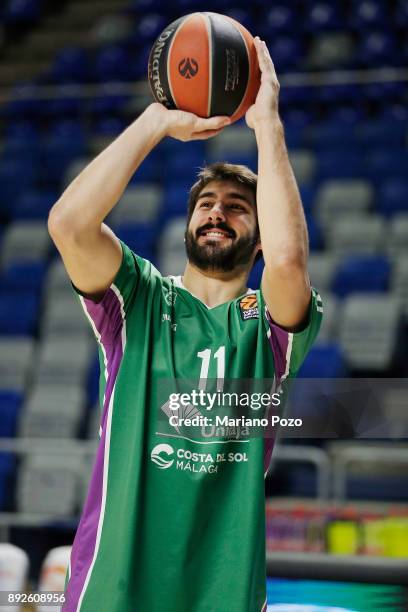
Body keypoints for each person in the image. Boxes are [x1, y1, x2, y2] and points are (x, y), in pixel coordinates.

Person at [48, 37, 322, 612]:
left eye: (237, 205)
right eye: (206, 203)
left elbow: (290, 261)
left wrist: (266, 124)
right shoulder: (139, 299)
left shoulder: (269, 329)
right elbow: (71, 225)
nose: (218, 211)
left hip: (219, 595)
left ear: (257, 232)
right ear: (187, 223)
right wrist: (154, 121)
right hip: (110, 588)